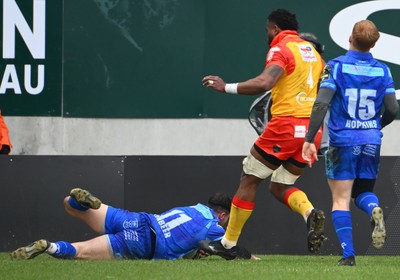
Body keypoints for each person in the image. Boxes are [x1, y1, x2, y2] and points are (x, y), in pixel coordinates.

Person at [200, 9, 326, 259]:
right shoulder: (314, 54)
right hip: (312, 131)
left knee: (249, 179)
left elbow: (264, 83)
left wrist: (227, 87)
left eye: (268, 29)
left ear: (276, 29)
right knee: (280, 185)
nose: (267, 34)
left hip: (285, 128)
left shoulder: (281, 48)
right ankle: (310, 213)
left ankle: (227, 245)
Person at [302, 20, 399, 266]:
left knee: (341, 199)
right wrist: (376, 126)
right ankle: (373, 209)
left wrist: (309, 139)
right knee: (363, 193)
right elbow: (392, 108)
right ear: (374, 43)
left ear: (349, 38)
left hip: (343, 141)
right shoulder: (383, 70)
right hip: (371, 140)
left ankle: (348, 256)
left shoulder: (336, 67)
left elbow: (322, 103)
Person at [10, 188, 253, 260]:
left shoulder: (194, 208)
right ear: (222, 216)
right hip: (144, 243)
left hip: (137, 219)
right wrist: (250, 257)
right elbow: (226, 248)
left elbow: (189, 241)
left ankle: (79, 199)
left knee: (68, 204)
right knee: (80, 251)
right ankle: (49, 246)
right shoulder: (215, 227)